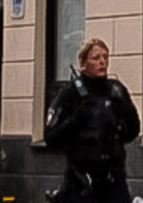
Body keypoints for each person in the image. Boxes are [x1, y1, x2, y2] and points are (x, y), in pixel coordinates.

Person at [42, 39, 137, 203]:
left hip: (114, 180)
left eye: (105, 57)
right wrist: (74, 121)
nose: (102, 62)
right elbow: (51, 137)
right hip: (82, 182)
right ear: (84, 63)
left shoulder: (116, 91)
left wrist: (126, 112)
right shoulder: (70, 94)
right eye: (96, 58)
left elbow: (133, 132)